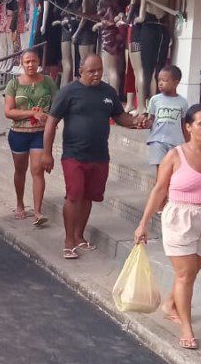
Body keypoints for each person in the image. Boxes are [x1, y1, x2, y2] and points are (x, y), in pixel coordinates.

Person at [42, 54, 143, 259]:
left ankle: (80, 236)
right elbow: (51, 123)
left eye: (99, 70)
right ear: (81, 70)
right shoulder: (68, 91)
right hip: (73, 155)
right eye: (91, 71)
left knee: (89, 196)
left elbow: (120, 116)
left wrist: (136, 122)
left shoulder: (108, 92)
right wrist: (46, 154)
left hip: (99, 156)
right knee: (74, 195)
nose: (96, 74)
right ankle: (69, 241)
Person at [135, 104, 201, 350]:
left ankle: (170, 303)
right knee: (184, 274)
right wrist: (143, 223)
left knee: (193, 271)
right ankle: (186, 328)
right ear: (188, 127)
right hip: (179, 219)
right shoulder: (175, 155)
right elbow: (159, 190)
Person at [4, 49, 58, 226]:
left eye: (33, 61)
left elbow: (56, 106)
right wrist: (31, 114)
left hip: (40, 134)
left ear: (38, 62)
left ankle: (37, 212)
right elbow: (9, 112)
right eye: (27, 62)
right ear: (21, 63)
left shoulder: (48, 81)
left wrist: (50, 118)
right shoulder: (13, 84)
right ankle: (20, 204)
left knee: (37, 170)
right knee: (20, 170)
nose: (30, 65)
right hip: (18, 134)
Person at [143, 66, 189, 171]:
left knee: (172, 171)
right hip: (157, 140)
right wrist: (147, 123)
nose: (160, 83)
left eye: (165, 80)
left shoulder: (183, 102)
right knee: (161, 170)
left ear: (176, 83)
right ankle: (159, 186)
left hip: (175, 142)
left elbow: (184, 125)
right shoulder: (155, 100)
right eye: (159, 80)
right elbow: (151, 119)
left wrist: (188, 144)